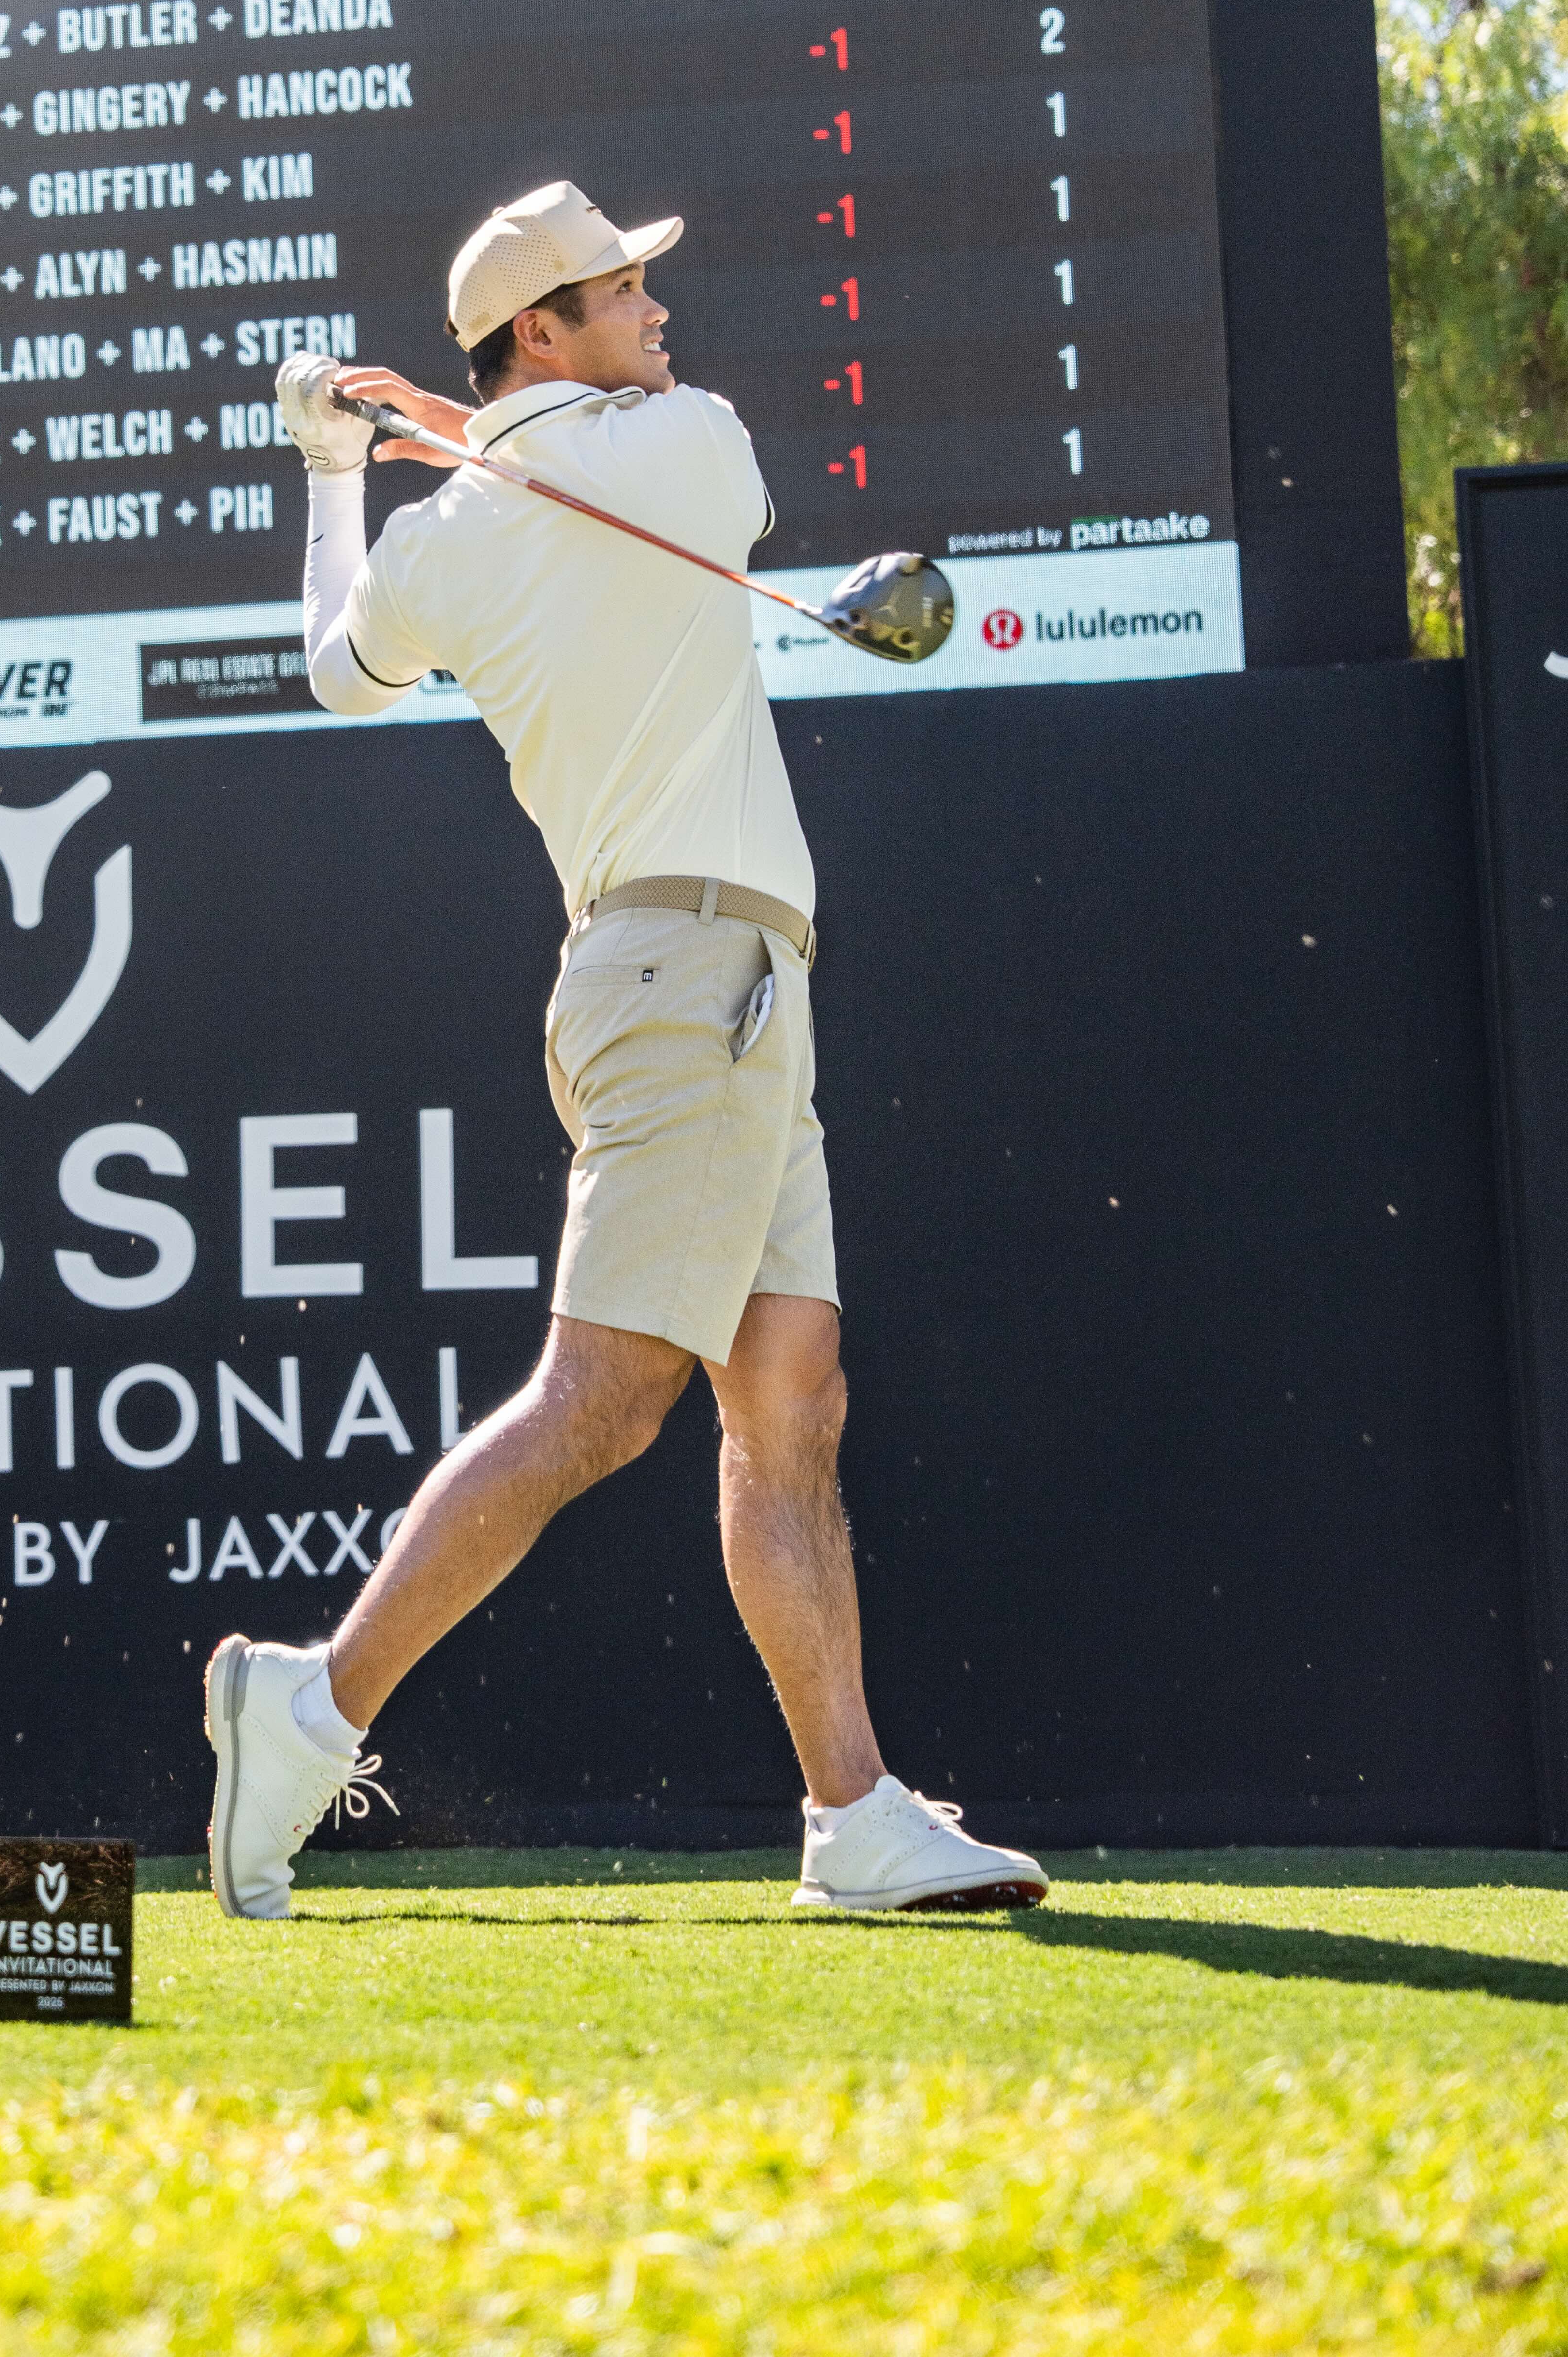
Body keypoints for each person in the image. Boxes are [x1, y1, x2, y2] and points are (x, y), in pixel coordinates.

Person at [203, 181, 1047, 1921]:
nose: (658, 308)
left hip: (710, 982)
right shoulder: (690, 444)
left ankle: (853, 1814)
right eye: (619, 289)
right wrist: (448, 439)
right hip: (689, 983)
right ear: (542, 329)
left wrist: (337, 469)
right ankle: (311, 1706)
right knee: (600, 1402)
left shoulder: (448, 538)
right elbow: (620, 473)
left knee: (790, 1397)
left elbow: (340, 671)